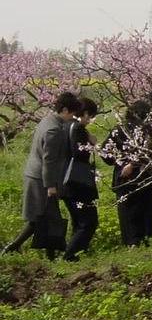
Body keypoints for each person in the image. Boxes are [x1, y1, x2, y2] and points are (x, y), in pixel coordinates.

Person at [4, 92, 79, 259]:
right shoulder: (54, 129)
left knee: (45, 217)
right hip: (41, 179)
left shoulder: (47, 120)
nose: (74, 117)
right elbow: (49, 160)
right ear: (65, 110)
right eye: (73, 113)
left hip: (35, 174)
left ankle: (48, 255)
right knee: (42, 218)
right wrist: (51, 186)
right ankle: (13, 247)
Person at [101, 100, 152, 246]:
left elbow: (105, 152)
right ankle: (146, 240)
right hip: (147, 177)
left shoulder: (120, 129)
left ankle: (131, 243)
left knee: (127, 214)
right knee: (146, 211)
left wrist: (120, 162)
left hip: (124, 178)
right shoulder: (150, 131)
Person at [61, 97, 100, 261]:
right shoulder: (78, 128)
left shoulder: (65, 125)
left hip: (65, 180)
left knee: (78, 220)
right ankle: (70, 255)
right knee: (89, 221)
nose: (89, 120)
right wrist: (91, 143)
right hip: (78, 182)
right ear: (84, 113)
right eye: (89, 116)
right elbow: (79, 154)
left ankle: (77, 253)